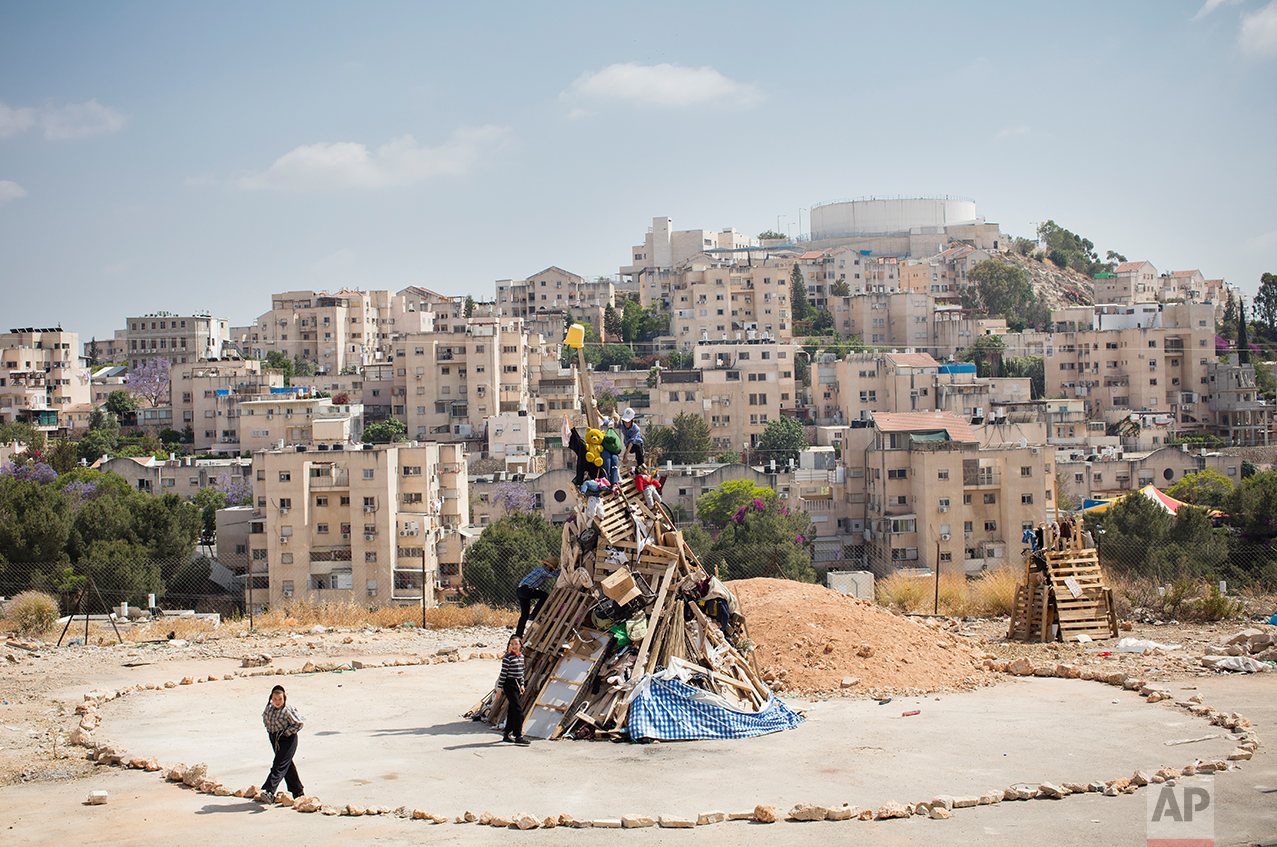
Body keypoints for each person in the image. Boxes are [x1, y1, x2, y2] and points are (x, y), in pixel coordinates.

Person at [259, 684, 304, 802]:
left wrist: (286, 733)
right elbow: (265, 720)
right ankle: (298, 792)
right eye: (275, 699)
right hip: (274, 738)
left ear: (284, 698)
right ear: (271, 698)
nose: (277, 702)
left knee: (279, 765)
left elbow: (299, 723)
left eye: (280, 699)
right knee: (287, 765)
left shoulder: (287, 709)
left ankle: (270, 791)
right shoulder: (268, 709)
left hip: (287, 739)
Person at [515, 559, 559, 638]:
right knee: (545, 595)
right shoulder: (542, 570)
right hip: (526, 589)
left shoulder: (539, 569)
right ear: (548, 567)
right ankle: (534, 614)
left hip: (520, 590)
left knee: (524, 615)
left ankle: (518, 635)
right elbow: (555, 575)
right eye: (551, 568)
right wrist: (563, 571)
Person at [498, 635, 530, 744]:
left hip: (516, 685)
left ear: (520, 645)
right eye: (512, 644)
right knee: (518, 711)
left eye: (516, 644)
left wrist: (522, 685)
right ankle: (518, 736)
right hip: (509, 684)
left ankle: (506, 734)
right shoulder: (507, 658)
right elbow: (503, 674)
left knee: (512, 710)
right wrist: (499, 688)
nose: (514, 646)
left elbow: (521, 673)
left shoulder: (521, 657)